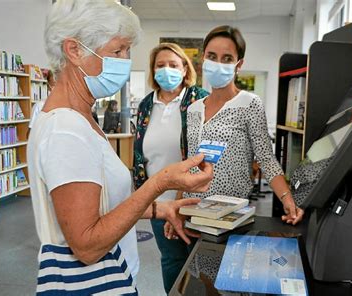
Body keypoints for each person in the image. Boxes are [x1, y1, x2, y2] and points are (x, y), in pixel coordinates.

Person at [27, 0, 213, 294]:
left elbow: (100, 207)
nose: (125, 61)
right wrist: (160, 182)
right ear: (74, 50)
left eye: (127, 50)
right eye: (117, 51)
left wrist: (159, 209)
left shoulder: (80, 118)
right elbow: (87, 246)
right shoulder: (66, 130)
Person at [168, 25, 304, 235]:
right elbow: (189, 162)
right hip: (192, 211)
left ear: (238, 64)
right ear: (203, 58)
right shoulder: (194, 109)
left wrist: (287, 199)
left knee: (223, 265)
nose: (218, 63)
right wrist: (176, 208)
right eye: (212, 56)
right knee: (193, 266)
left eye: (227, 58)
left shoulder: (249, 103)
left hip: (229, 216)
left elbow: (266, 158)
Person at [133, 42, 209, 293]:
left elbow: (202, 153)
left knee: (199, 260)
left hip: (192, 199)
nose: (166, 70)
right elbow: (139, 151)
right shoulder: (146, 104)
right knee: (171, 259)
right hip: (157, 201)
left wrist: (180, 197)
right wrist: (145, 199)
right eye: (160, 65)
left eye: (173, 65)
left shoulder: (199, 99)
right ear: (153, 71)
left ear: (185, 70)